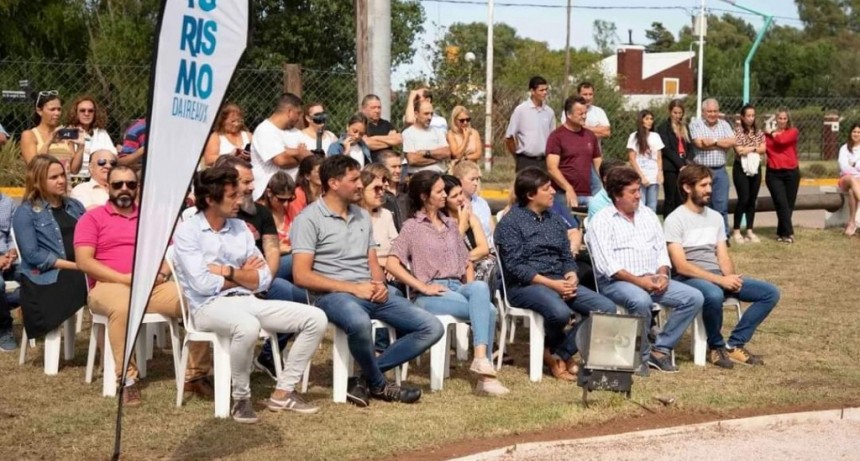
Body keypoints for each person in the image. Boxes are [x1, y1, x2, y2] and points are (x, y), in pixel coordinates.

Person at [173, 166, 327, 423]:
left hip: (246, 300)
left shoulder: (240, 227)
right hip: (207, 307)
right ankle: (241, 398)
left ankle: (283, 392)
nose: (240, 200)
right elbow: (201, 285)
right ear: (210, 199)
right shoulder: (188, 232)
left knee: (316, 318)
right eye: (232, 195)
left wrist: (227, 271)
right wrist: (243, 275)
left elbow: (263, 278)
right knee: (247, 325)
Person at [291, 155, 444, 406]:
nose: (360, 185)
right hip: (332, 295)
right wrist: (354, 288)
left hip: (369, 291)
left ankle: (365, 378)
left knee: (432, 327)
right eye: (354, 180)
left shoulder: (362, 216)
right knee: (360, 322)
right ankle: (380, 385)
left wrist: (380, 285)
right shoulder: (308, 219)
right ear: (333, 183)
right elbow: (301, 275)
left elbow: (372, 261)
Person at [74, 165, 212, 406]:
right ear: (107, 187)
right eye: (118, 184)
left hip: (150, 286)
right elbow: (84, 261)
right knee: (123, 307)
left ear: (137, 187)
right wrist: (124, 279)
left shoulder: (150, 218)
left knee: (197, 299)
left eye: (130, 184)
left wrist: (163, 272)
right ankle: (127, 379)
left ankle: (195, 375)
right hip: (108, 286)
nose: (124, 189)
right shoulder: (92, 218)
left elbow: (173, 250)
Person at [386, 170, 508, 396]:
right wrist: (422, 287)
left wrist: (474, 293)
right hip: (430, 294)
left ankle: (480, 360)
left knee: (481, 289)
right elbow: (392, 264)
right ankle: (485, 377)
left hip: (457, 287)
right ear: (424, 196)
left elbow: (465, 261)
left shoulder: (451, 225)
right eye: (440, 191)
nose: (445, 195)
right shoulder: (412, 227)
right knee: (489, 311)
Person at [495, 167, 616, 381]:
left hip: (560, 281)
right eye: (546, 188)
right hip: (526, 286)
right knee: (560, 313)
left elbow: (566, 255)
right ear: (530, 195)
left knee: (606, 308)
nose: (553, 191)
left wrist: (571, 274)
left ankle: (558, 353)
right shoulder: (510, 223)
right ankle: (558, 356)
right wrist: (553, 285)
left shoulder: (554, 219)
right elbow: (516, 267)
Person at [586, 166, 703, 375]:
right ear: (617, 195)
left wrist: (662, 274)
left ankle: (660, 350)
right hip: (617, 282)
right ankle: (641, 356)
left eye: (638, 190)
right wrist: (641, 282)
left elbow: (661, 251)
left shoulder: (648, 215)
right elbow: (608, 266)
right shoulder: (602, 221)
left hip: (653, 279)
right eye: (632, 191)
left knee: (694, 297)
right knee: (641, 300)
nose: (639, 195)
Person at [665, 164, 779, 368]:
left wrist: (730, 278)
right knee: (714, 294)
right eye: (703, 185)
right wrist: (720, 280)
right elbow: (681, 266)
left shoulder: (716, 217)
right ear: (687, 187)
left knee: (769, 293)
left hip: (717, 277)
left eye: (710, 184)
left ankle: (734, 345)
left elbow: (723, 256)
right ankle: (715, 347)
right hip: (689, 278)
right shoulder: (675, 219)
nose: (709, 189)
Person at [210, 155, 309, 379]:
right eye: (246, 181)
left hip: (260, 277)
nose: (253, 187)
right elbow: (215, 263)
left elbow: (272, 250)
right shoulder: (214, 216)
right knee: (286, 286)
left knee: (294, 290)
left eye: (252, 181)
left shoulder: (261, 212)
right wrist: (246, 275)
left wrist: (263, 279)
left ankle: (267, 356)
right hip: (226, 286)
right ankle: (264, 358)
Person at [12, 155, 87, 341]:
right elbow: (32, 255)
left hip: (81, 270)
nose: (61, 180)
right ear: (37, 181)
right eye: (53, 177)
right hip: (46, 278)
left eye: (62, 175)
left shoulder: (75, 206)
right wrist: (79, 266)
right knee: (93, 280)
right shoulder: (26, 212)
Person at [545, 95, 602, 244]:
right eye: (580, 113)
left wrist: (606, 183)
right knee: (570, 233)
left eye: (585, 113)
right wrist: (568, 188)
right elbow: (551, 167)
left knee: (595, 231)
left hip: (588, 193)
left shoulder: (590, 136)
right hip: (563, 194)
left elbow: (598, 163)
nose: (584, 116)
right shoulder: (557, 136)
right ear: (569, 114)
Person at [250, 93, 312, 199]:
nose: (299, 118)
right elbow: (281, 161)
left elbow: (308, 157)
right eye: (298, 113)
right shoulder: (265, 130)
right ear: (289, 112)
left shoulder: (297, 133)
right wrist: (299, 154)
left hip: (291, 194)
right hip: (268, 196)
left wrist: (290, 152)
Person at [689, 98, 735, 237]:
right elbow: (699, 144)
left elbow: (732, 142)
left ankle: (723, 236)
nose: (713, 114)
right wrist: (721, 144)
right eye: (709, 111)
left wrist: (713, 141)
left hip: (720, 171)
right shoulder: (696, 124)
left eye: (715, 111)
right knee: (702, 204)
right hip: (702, 172)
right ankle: (704, 236)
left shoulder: (724, 124)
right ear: (703, 112)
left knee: (721, 206)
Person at [440, 175, 494, 283]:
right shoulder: (441, 223)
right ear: (444, 200)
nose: (460, 198)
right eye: (454, 196)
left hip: (477, 266)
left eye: (461, 193)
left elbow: (484, 249)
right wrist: (462, 226)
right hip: (457, 274)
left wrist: (461, 258)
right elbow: (449, 254)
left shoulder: (471, 217)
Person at [21, 92, 84, 175]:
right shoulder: (30, 135)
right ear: (39, 111)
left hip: (64, 182)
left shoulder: (65, 134)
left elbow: (74, 170)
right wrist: (49, 142)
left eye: (59, 109)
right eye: (52, 109)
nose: (57, 113)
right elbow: (34, 167)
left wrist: (81, 147)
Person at [358, 168, 399, 294]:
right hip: (364, 276)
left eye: (382, 188)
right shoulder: (353, 218)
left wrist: (393, 263)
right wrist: (384, 263)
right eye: (376, 189)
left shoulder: (386, 214)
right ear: (361, 191)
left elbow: (397, 245)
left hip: (391, 271)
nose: (381, 192)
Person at [764, 108, 801, 244]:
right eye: (780, 118)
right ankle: (789, 233)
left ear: (788, 119)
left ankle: (781, 232)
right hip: (774, 173)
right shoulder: (766, 135)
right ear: (776, 119)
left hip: (791, 172)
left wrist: (771, 132)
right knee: (781, 202)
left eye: (785, 118)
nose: (782, 121)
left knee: (788, 204)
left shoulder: (793, 132)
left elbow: (781, 140)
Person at [505, 76, 555, 172]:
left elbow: (553, 138)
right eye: (541, 90)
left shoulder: (549, 112)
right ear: (532, 91)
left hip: (544, 161)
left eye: (546, 90)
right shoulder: (521, 110)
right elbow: (509, 138)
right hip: (525, 161)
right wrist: (517, 157)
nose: (545, 93)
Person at [731, 104, 766, 244]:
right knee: (743, 198)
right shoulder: (737, 131)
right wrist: (755, 147)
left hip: (755, 167)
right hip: (741, 168)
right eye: (748, 116)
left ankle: (750, 230)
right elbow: (739, 150)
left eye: (753, 115)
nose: (751, 118)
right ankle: (736, 230)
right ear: (742, 117)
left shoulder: (759, 132)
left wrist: (750, 148)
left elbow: (763, 148)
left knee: (752, 199)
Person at [64, 95, 117, 179]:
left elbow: (114, 157)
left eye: (90, 111)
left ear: (95, 113)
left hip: (98, 177)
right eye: (82, 110)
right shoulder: (68, 132)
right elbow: (72, 169)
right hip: (75, 178)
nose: (86, 113)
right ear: (76, 113)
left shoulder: (101, 133)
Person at [656, 99, 691, 218]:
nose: (677, 116)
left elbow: (690, 146)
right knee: (670, 198)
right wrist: (680, 164)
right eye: (675, 113)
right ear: (670, 112)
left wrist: (687, 162)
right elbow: (666, 149)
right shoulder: (663, 127)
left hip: (684, 166)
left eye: (680, 113)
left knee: (681, 197)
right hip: (671, 167)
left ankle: (680, 223)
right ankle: (668, 223)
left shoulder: (685, 127)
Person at [577, 82, 612, 195]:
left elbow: (607, 132)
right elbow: (573, 133)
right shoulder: (570, 110)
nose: (588, 97)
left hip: (595, 157)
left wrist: (585, 128)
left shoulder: (599, 111)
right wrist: (597, 129)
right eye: (585, 94)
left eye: (590, 94)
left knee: (598, 187)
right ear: (578, 94)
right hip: (577, 158)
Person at [626, 109, 664, 212]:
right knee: (640, 205)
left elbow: (659, 157)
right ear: (641, 120)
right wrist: (641, 176)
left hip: (653, 177)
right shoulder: (634, 136)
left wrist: (660, 173)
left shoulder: (655, 136)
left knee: (652, 206)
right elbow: (632, 159)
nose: (650, 121)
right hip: (640, 177)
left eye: (651, 119)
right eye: (647, 119)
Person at [403, 100, 451, 175]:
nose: (430, 117)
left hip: (440, 175)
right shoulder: (408, 133)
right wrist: (438, 159)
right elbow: (412, 160)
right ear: (416, 114)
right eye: (426, 114)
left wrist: (426, 153)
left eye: (431, 114)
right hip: (420, 176)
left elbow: (446, 153)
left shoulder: (438, 131)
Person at [452, 160, 493, 245]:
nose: (476, 183)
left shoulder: (482, 202)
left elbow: (492, 229)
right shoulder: (453, 205)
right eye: (472, 179)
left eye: (477, 179)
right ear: (458, 180)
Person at [202, 103, 253, 168]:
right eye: (233, 121)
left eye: (239, 121)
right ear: (223, 121)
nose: (236, 124)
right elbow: (208, 160)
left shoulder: (248, 135)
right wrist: (230, 156)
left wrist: (250, 156)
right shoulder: (216, 137)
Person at [360, 94, 402, 162]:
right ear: (363, 109)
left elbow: (398, 139)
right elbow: (367, 144)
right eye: (373, 108)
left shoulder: (386, 124)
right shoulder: (361, 124)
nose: (377, 111)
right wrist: (390, 141)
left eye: (379, 107)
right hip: (371, 165)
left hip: (388, 165)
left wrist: (374, 138)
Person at [0, 191, 17, 351]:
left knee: (38, 276)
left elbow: (13, 235)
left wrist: (12, 253)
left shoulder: (8, 202)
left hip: (8, 258)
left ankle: (4, 302)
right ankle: (4, 328)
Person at [378, 150, 410, 230]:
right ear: (382, 168)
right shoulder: (378, 193)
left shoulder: (407, 190)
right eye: (393, 167)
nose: (398, 171)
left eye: (400, 166)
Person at [837, 122, 860, 236]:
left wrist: (854, 165)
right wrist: (856, 167)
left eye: (859, 132)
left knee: (852, 191)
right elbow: (844, 167)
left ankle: (852, 223)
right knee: (851, 179)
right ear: (851, 133)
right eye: (854, 131)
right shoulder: (844, 148)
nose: (856, 134)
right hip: (845, 179)